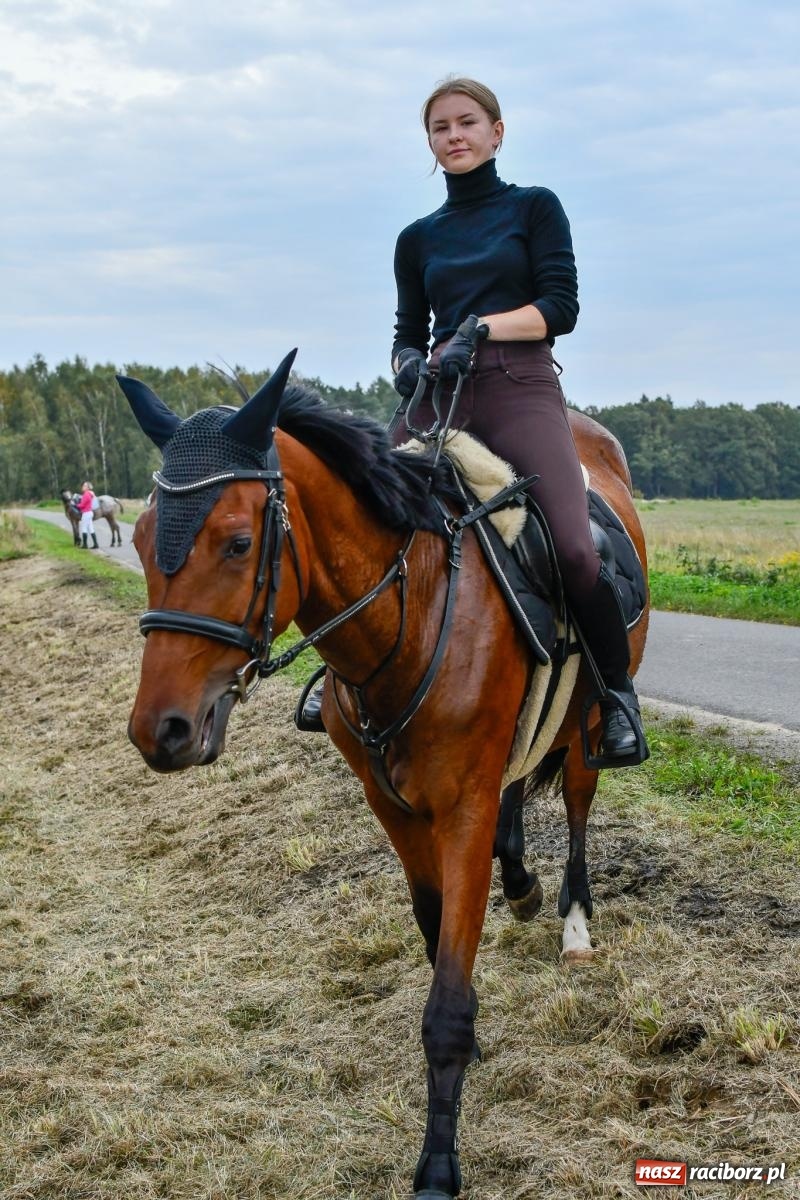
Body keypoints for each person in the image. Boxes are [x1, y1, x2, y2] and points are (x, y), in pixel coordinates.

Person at [301, 76, 646, 765]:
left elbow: (560, 307)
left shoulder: (535, 208)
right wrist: (405, 362)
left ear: (497, 132)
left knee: (576, 550)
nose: (453, 136)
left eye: (466, 123)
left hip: (518, 392)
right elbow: (407, 329)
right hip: (435, 398)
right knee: (357, 520)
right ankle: (332, 671)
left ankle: (616, 699)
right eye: (439, 128)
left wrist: (479, 329)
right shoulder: (416, 237)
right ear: (429, 143)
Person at [77, 481, 99, 549]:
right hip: (89, 512)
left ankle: (85, 545)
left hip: (86, 513)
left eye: (84, 486)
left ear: (87, 487)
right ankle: (96, 544)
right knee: (91, 528)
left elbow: (82, 505)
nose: (82, 487)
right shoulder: (90, 494)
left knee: (84, 528)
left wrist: (75, 505)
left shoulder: (86, 494)